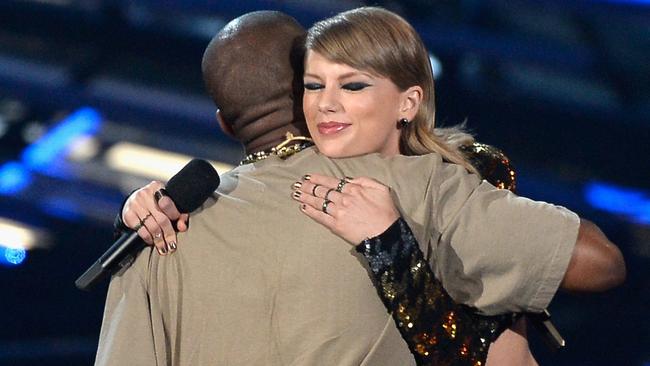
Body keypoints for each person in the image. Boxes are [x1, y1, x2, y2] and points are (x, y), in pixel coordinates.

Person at [96, 9, 624, 366]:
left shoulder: (155, 236)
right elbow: (600, 263)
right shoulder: (415, 183)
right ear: (302, 92)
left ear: (226, 124)